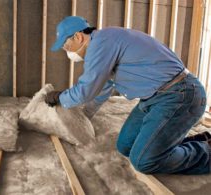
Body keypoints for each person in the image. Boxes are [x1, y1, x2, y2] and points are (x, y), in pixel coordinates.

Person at [45, 16, 210, 174]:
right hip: (154, 98)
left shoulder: (102, 43)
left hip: (180, 95)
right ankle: (196, 142)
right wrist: (82, 120)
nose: (66, 51)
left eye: (66, 45)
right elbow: (100, 93)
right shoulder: (105, 46)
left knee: (144, 161)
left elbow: (85, 91)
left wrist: (61, 97)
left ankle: (206, 153)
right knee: (126, 146)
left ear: (78, 37)